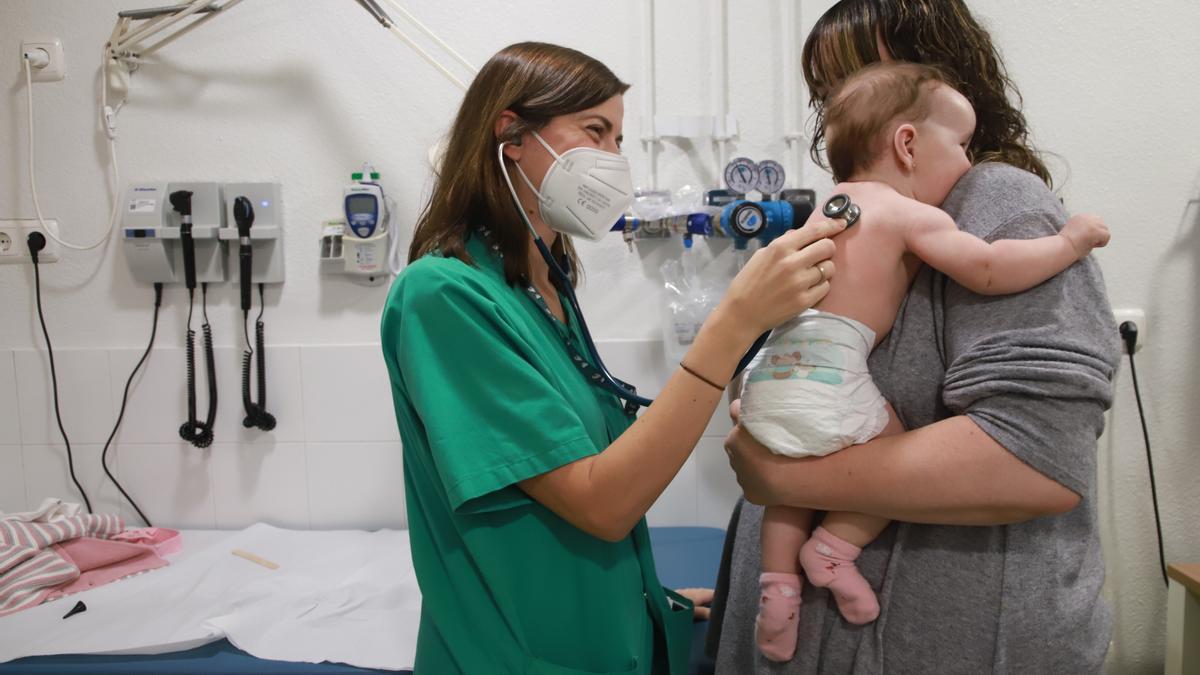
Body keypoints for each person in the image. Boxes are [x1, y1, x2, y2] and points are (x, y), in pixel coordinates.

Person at [380, 42, 845, 675]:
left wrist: (655, 604)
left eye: (620, 139)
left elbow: (568, 497)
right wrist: (734, 324)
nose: (614, 162)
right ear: (511, 134)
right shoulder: (443, 295)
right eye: (595, 132)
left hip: (605, 637)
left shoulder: (540, 288)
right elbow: (601, 503)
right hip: (517, 656)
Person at [707, 1, 1121, 672]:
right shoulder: (860, 214)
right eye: (828, 94)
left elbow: (1037, 459)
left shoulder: (998, 203)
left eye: (863, 77)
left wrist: (778, 470)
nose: (844, 106)